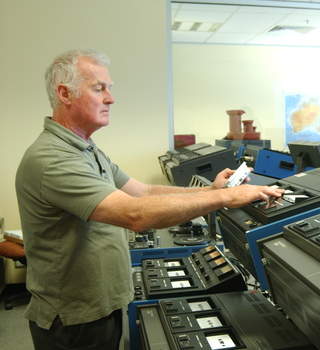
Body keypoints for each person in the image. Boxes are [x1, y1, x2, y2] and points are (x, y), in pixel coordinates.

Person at [15, 49, 284, 350]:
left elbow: (141, 191)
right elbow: (134, 214)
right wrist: (225, 197)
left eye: (109, 88)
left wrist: (210, 192)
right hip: (74, 320)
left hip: (100, 306)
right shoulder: (54, 158)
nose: (110, 98)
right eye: (99, 88)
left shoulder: (86, 149)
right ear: (65, 94)